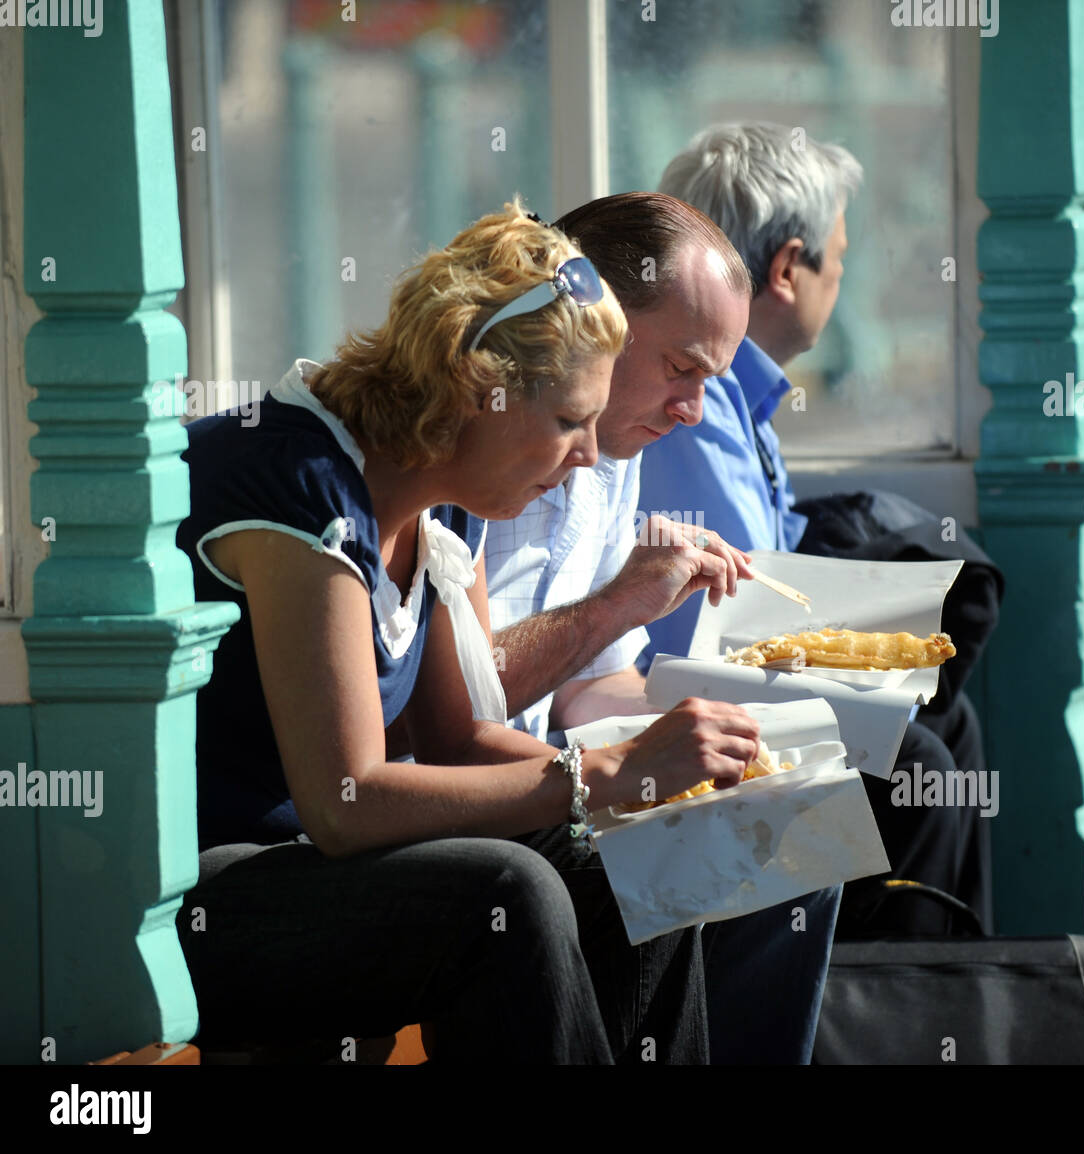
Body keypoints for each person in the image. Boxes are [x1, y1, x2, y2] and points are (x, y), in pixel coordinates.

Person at [172, 201, 765, 1065]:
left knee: (650, 853)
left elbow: (454, 740)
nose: (588, 457)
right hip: (201, 889)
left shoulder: (448, 495)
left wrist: (649, 787)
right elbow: (347, 802)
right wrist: (599, 774)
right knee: (510, 892)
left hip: (317, 864)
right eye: (568, 421)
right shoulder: (298, 488)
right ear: (469, 386)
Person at [485, 192, 842, 1065]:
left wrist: (738, 709)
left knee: (799, 806)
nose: (690, 409)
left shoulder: (615, 460)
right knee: (686, 847)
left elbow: (588, 688)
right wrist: (617, 608)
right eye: (681, 368)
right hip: (484, 790)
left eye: (710, 383)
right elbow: (443, 706)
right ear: (595, 319)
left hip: (544, 769)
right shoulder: (484, 453)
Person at [641, 124, 997, 935]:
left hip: (690, 690)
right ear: (787, 269)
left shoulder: (728, 398)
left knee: (937, 721)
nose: (840, 277)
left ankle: (941, 987)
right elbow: (738, 621)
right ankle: (899, 999)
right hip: (677, 708)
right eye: (836, 258)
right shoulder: (704, 407)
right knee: (922, 762)